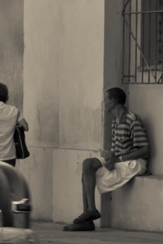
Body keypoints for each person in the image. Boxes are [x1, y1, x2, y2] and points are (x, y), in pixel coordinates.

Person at [64, 87, 149, 232]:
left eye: (106, 100)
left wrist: (118, 158)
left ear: (113, 101)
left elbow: (145, 150)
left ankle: (88, 219)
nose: (104, 103)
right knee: (87, 164)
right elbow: (116, 150)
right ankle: (91, 210)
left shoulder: (132, 119)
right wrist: (111, 159)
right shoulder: (115, 121)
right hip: (119, 159)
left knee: (87, 175)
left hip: (134, 162)